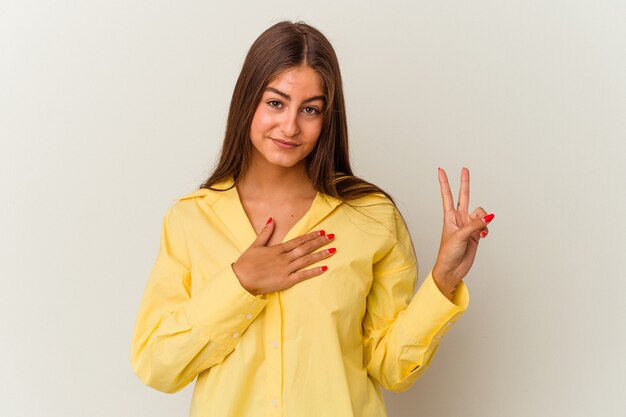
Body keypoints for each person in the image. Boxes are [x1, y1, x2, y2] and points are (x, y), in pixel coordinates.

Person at [130, 20, 494, 417]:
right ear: (247, 100)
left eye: (310, 109)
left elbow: (390, 370)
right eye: (275, 102)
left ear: (327, 118)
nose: (289, 126)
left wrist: (443, 279)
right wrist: (240, 283)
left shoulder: (371, 217)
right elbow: (157, 364)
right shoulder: (191, 219)